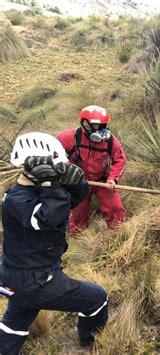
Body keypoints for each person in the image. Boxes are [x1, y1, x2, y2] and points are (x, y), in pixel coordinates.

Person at [0, 132, 108, 354]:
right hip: (36, 280)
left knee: (16, 322)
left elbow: (68, 203)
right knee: (96, 299)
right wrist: (52, 186)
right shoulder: (16, 200)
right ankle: (89, 343)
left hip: (19, 276)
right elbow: (47, 219)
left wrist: (75, 182)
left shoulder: (37, 190)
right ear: (36, 167)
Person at [56, 105, 127, 233]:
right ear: (85, 124)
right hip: (78, 182)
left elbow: (120, 160)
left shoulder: (110, 140)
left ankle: (118, 234)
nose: (100, 130)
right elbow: (52, 153)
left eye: (103, 126)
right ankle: (78, 240)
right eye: (96, 126)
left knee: (115, 208)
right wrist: (63, 171)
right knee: (78, 214)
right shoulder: (69, 137)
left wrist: (112, 179)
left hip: (102, 181)